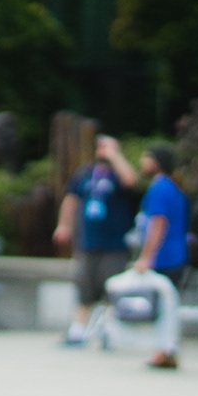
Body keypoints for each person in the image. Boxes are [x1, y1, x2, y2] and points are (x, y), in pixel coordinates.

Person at [54, 135, 137, 346]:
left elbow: (131, 180)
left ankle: (107, 332)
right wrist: (64, 225)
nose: (104, 150)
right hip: (87, 242)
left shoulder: (118, 173)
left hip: (114, 245)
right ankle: (77, 331)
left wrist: (115, 157)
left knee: (112, 290)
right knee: (84, 287)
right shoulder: (85, 173)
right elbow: (71, 199)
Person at [122, 144, 191, 370]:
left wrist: (146, 257)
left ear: (156, 162)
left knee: (163, 306)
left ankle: (166, 350)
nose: (142, 162)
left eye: (146, 157)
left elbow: (158, 223)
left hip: (166, 257)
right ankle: (166, 349)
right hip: (175, 255)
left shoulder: (160, 188)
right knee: (168, 304)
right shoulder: (172, 186)